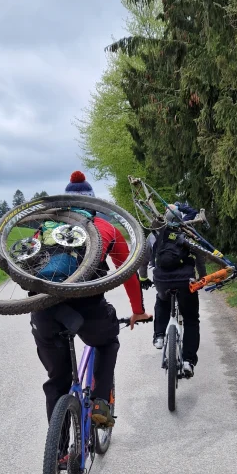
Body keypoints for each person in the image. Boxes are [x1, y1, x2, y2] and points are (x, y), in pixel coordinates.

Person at [30, 171, 151, 427]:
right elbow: (128, 273)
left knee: (57, 381)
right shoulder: (105, 227)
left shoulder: (46, 229)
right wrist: (138, 310)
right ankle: (99, 401)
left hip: (45, 308)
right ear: (92, 203)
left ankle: (59, 453)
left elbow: (28, 267)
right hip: (88, 307)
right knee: (107, 343)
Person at [138, 203, 205, 379]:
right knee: (191, 319)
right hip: (185, 281)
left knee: (161, 301)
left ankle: (159, 336)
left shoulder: (154, 235)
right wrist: (202, 278)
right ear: (182, 219)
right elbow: (199, 256)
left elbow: (144, 260)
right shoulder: (188, 234)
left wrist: (143, 278)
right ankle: (188, 361)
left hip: (162, 280)